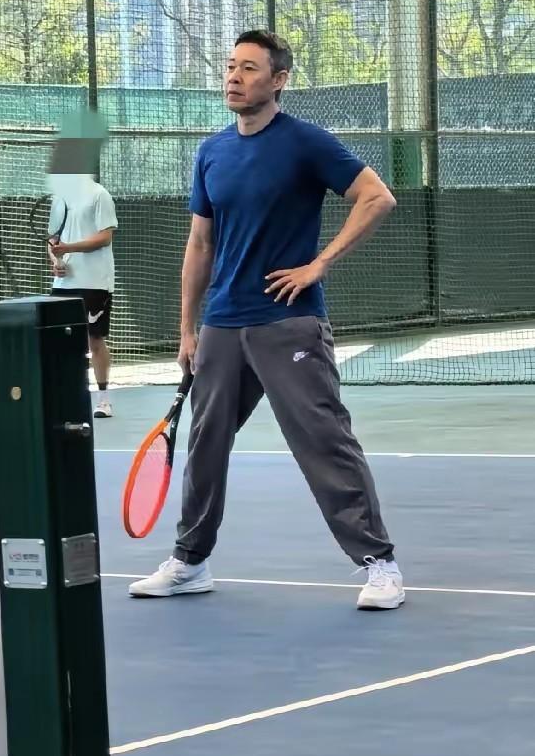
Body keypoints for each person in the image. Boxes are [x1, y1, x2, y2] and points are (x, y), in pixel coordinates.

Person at [129, 30, 404, 610]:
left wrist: (319, 263)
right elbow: (200, 244)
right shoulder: (212, 152)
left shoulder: (306, 142)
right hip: (222, 326)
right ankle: (190, 560)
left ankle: (379, 564)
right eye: (231, 66)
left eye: (249, 68)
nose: (234, 77)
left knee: (323, 441)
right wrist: (188, 329)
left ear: (278, 80)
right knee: (205, 444)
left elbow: (377, 197)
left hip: (289, 322)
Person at [48, 172, 118, 419]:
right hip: (63, 283)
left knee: (94, 339)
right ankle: (67, 397)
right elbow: (53, 240)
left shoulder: (99, 195)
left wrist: (69, 248)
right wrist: (55, 261)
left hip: (95, 282)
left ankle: (103, 400)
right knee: (60, 342)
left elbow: (105, 237)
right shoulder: (59, 199)